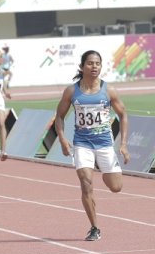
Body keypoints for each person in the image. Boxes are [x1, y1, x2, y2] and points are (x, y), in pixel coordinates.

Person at [54, 50, 130, 241]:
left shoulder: (109, 90)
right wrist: (63, 139)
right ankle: (94, 227)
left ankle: (102, 168)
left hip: (104, 143)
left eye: (97, 63)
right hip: (82, 143)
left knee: (116, 187)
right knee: (86, 184)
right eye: (90, 63)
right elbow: (59, 117)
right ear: (82, 67)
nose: (94, 67)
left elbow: (123, 115)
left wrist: (124, 144)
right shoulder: (72, 91)